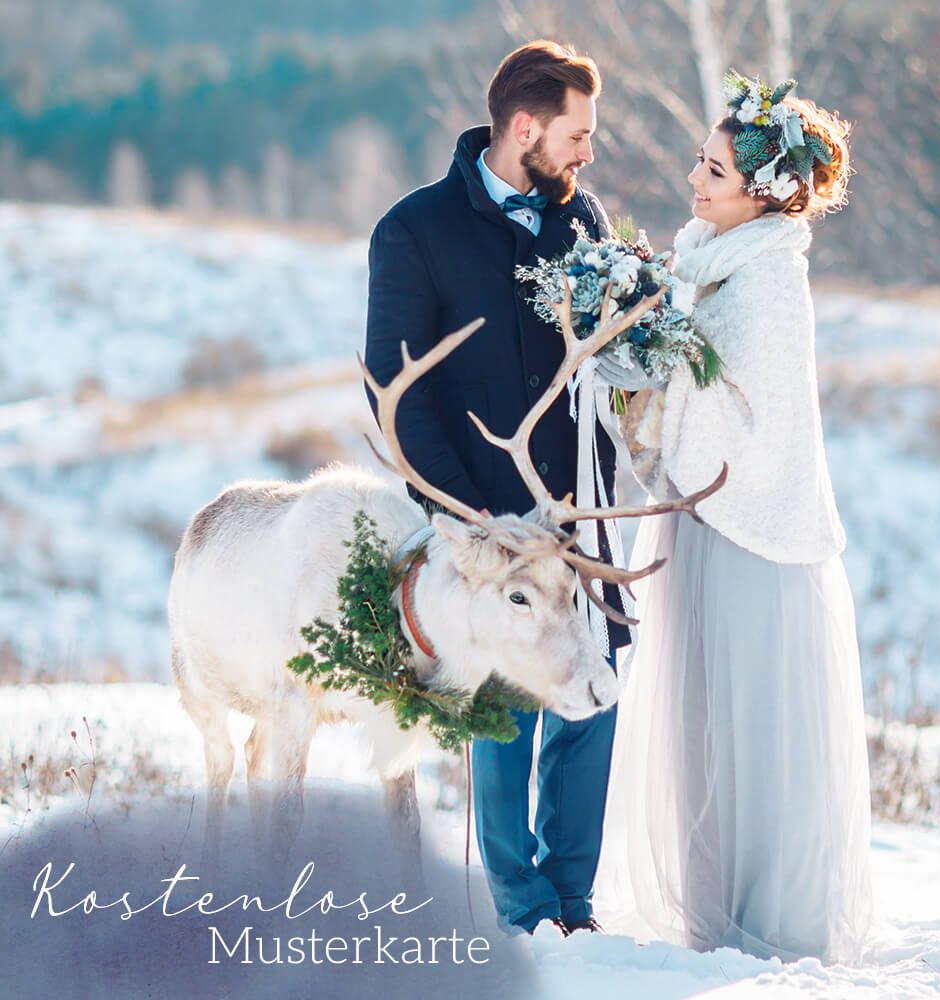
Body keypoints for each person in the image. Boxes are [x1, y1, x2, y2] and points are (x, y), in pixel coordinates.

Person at [597, 74, 874, 964]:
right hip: (700, 518)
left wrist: (662, 368)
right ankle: (711, 907)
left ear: (766, 193)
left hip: (751, 527)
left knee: (754, 731)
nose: (694, 178)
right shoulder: (710, 259)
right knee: (699, 729)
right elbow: (694, 372)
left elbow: (754, 414)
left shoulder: (766, 283)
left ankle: (774, 920)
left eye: (713, 169)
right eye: (701, 161)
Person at [363, 39, 628, 937]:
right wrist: (461, 519)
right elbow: (397, 390)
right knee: (504, 701)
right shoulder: (414, 229)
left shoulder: (581, 218)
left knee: (591, 695)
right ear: (526, 127)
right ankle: (521, 909)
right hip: (484, 522)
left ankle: (574, 898)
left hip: (581, 508)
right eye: (578, 133)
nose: (589, 151)